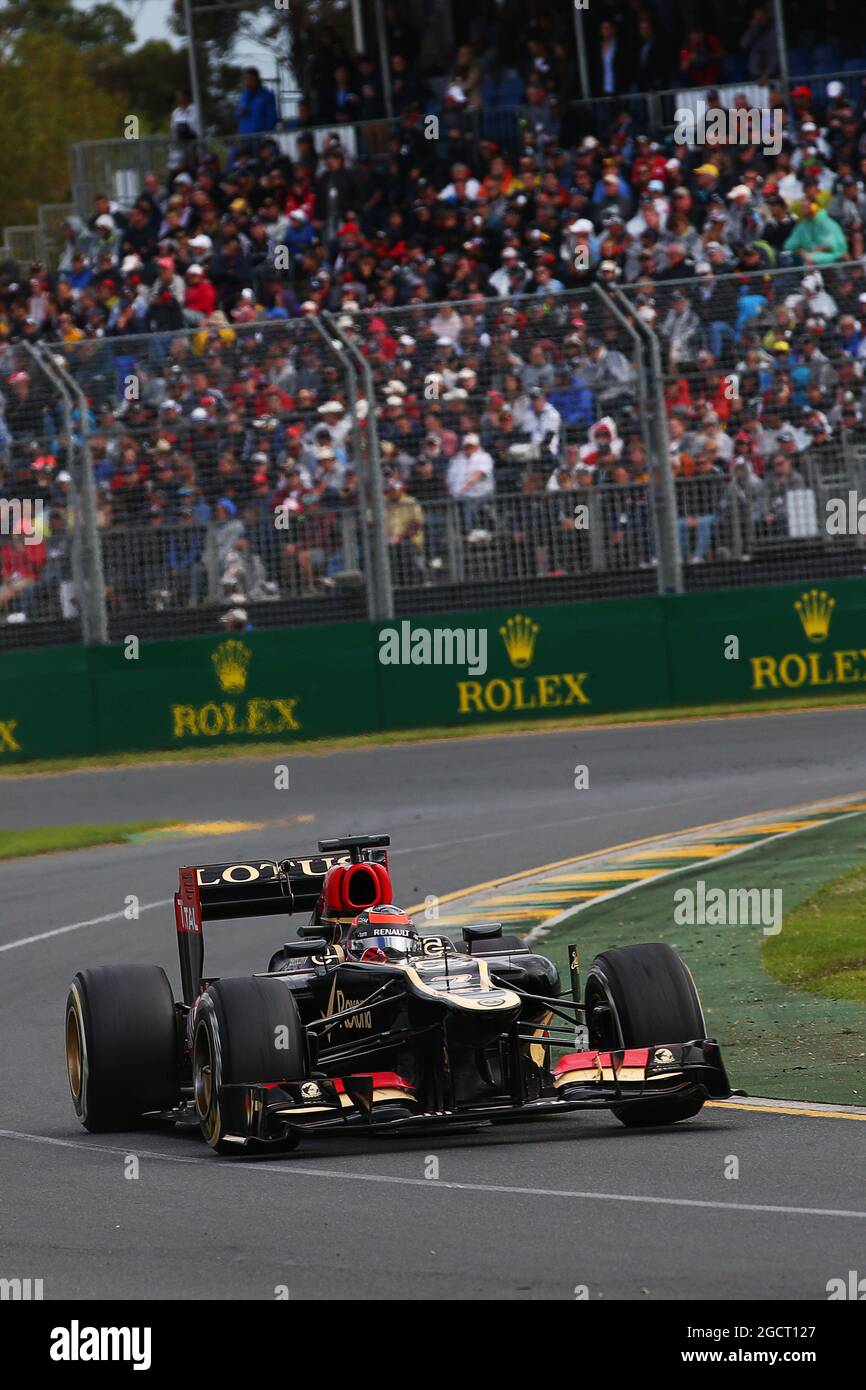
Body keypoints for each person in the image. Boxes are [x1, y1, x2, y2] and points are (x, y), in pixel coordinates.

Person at [235, 68, 278, 136]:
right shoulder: (243, 95)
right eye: (245, 78)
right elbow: (237, 112)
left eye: (248, 78)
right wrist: (240, 112)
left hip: (260, 137)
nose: (246, 81)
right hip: (244, 137)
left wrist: (266, 133)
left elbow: (272, 117)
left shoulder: (266, 95)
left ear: (255, 79)